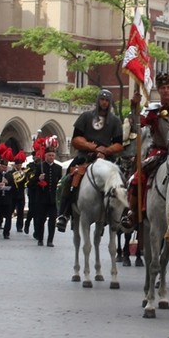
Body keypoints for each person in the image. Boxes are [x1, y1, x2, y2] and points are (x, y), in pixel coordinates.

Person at [56, 89, 124, 231]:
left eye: (107, 100)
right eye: (102, 99)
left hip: (107, 159)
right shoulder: (86, 117)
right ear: (98, 100)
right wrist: (93, 147)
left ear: (110, 102)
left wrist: (106, 150)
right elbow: (76, 140)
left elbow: (118, 144)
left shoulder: (115, 121)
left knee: (122, 180)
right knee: (69, 178)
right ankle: (64, 214)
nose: (104, 103)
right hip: (85, 156)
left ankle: (119, 215)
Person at [125, 72, 169, 230]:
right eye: (162, 88)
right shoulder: (152, 110)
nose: (166, 91)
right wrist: (134, 108)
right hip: (159, 152)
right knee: (137, 178)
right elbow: (136, 125)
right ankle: (132, 212)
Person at [31, 144, 63, 247]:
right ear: (45, 156)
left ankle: (50, 240)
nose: (51, 157)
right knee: (41, 220)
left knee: (52, 220)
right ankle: (40, 239)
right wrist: (38, 179)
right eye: (49, 155)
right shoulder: (39, 166)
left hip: (53, 199)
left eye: (53, 155)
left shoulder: (58, 168)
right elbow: (31, 183)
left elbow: (60, 183)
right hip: (41, 198)